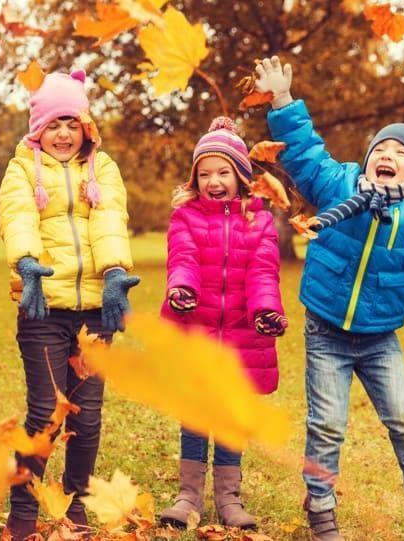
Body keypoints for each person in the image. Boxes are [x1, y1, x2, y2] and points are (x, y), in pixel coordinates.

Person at [256, 55, 404, 540]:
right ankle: (320, 506)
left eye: (400, 151)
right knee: (327, 426)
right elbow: (303, 152)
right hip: (326, 332)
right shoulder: (340, 185)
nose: (387, 153)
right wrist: (282, 99)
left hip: (381, 337)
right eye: (381, 147)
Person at [0, 69, 140, 540]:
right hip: (43, 310)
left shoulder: (103, 169)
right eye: (53, 124)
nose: (63, 133)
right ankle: (23, 509)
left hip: (95, 311)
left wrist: (116, 273)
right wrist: (26, 263)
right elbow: (17, 216)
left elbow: (110, 221)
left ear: (86, 128)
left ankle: (77, 503)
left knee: (86, 414)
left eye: (72, 124)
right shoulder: (22, 169)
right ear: (38, 128)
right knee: (45, 413)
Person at [157, 116, 287, 530]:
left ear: (242, 176)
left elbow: (264, 271)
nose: (214, 180)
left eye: (223, 171)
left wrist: (266, 311)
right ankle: (188, 496)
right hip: (197, 326)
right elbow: (183, 259)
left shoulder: (260, 221)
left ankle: (229, 497)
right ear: (196, 179)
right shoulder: (186, 218)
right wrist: (182, 289)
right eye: (205, 173)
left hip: (241, 333)